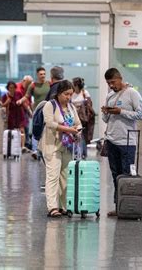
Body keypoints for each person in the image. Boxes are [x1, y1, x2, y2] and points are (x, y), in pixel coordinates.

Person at [101, 68, 142, 217]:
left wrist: (121, 112)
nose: (111, 86)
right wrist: (106, 112)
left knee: (127, 176)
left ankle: (129, 207)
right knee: (115, 175)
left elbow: (141, 115)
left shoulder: (133, 93)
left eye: (113, 82)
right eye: (108, 83)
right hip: (112, 140)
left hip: (127, 141)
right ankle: (118, 206)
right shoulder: (109, 96)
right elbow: (105, 120)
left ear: (120, 78)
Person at [39, 80, 82, 218]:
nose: (69, 97)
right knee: (53, 177)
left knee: (65, 177)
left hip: (67, 146)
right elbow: (50, 123)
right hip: (52, 146)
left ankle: (64, 206)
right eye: (66, 94)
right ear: (58, 93)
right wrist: (68, 129)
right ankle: (52, 207)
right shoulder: (49, 105)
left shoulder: (71, 107)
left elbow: (78, 123)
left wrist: (78, 131)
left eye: (71, 94)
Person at [17, 67, 51, 158]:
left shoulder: (49, 84)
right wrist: (20, 100)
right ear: (37, 75)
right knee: (36, 130)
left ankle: (45, 150)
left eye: (44, 74)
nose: (43, 75)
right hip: (38, 111)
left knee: (47, 130)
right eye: (41, 74)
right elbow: (26, 96)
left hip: (48, 111)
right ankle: (35, 150)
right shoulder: (33, 85)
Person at [71, 77, 95, 158]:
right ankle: (76, 152)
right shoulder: (71, 93)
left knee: (83, 135)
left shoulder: (85, 93)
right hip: (73, 117)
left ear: (76, 85)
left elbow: (89, 105)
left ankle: (83, 153)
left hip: (83, 118)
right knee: (74, 134)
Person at [2, 81, 28, 150]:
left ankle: (22, 146)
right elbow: (2, 105)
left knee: (22, 130)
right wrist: (7, 102)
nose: (12, 89)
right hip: (11, 116)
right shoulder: (5, 96)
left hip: (20, 114)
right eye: (10, 87)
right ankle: (12, 146)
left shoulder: (18, 93)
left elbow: (23, 103)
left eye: (13, 87)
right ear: (8, 88)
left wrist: (29, 111)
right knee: (11, 131)